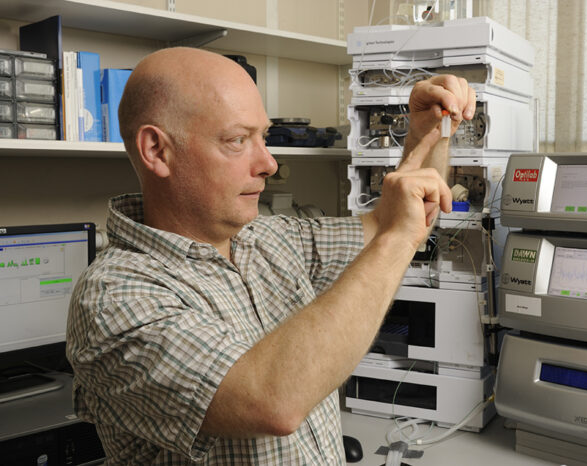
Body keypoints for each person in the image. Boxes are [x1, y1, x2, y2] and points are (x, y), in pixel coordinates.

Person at [66, 47, 476, 465]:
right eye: (237, 140)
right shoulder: (115, 299)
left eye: (262, 136)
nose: (268, 162)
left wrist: (426, 134)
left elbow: (397, 223)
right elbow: (272, 401)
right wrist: (397, 239)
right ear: (157, 150)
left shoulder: (267, 237)